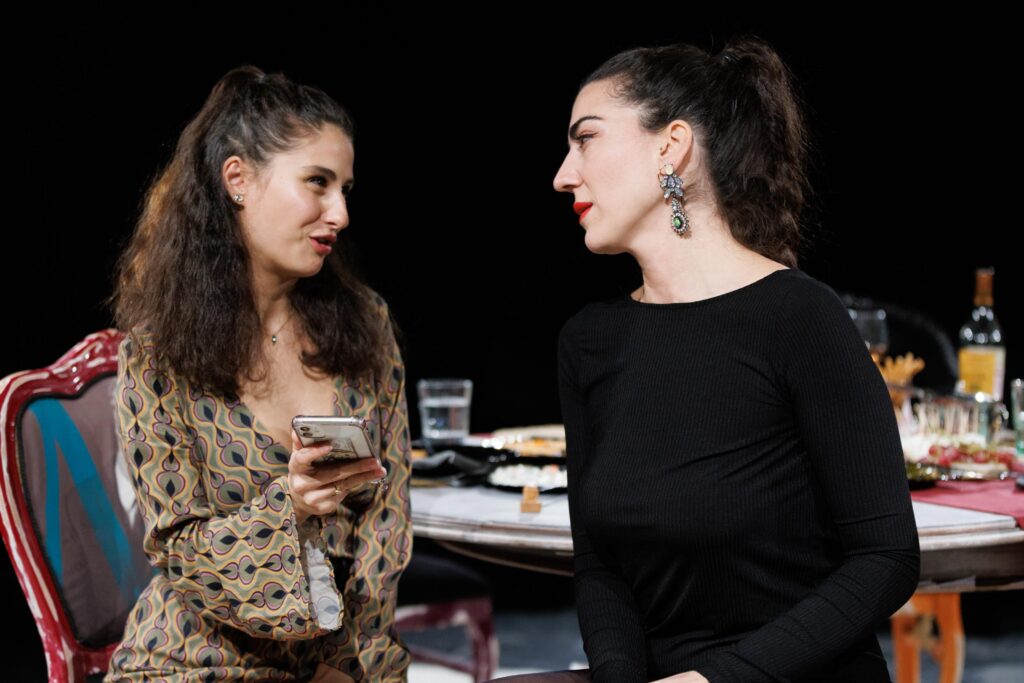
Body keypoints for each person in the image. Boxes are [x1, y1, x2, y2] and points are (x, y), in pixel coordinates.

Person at [492, 36, 920, 683]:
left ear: (672, 146)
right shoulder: (589, 341)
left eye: (586, 139)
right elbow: (600, 566)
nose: (563, 174)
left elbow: (885, 558)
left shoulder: (798, 317)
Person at [105, 65, 412, 682]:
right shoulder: (158, 352)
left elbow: (387, 516)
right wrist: (289, 506)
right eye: (317, 182)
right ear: (239, 180)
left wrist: (346, 665)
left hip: (340, 661)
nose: (340, 212)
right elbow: (180, 548)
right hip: (197, 661)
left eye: (345, 189)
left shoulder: (363, 325)